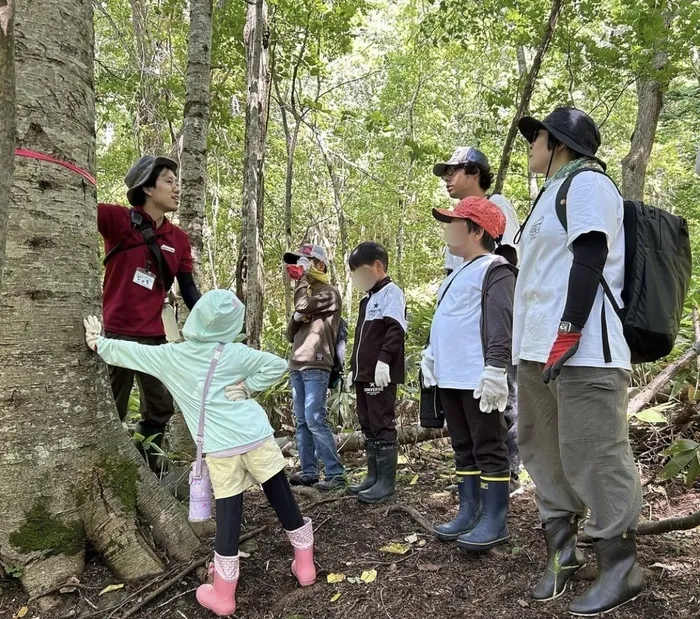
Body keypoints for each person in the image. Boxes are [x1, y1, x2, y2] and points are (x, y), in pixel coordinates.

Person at [84, 289, 316, 616]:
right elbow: (278, 364)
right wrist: (248, 388)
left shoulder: (173, 356)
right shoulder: (236, 353)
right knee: (281, 497)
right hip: (257, 438)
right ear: (230, 324)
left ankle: (223, 593)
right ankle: (305, 567)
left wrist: (98, 342)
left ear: (195, 320)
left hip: (222, 450)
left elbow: (131, 353)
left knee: (229, 514)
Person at [514, 107, 643, 615]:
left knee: (595, 453)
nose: (531, 148)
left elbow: (590, 254)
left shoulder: (588, 184)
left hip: (585, 349)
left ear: (558, 143)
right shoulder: (548, 193)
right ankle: (562, 554)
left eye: (536, 139)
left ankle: (620, 567)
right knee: (542, 449)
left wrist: (569, 330)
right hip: (535, 349)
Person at [421, 197, 515, 551]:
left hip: (478, 377)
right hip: (450, 376)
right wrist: (432, 354)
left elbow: (500, 320)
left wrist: (495, 368)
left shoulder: (496, 268)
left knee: (488, 446)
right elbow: (448, 320)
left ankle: (495, 519)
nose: (448, 228)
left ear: (476, 230)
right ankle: (469, 510)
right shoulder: (457, 272)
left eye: (455, 222)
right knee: (462, 446)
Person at [98, 155, 201, 470]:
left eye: (176, 181)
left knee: (159, 408)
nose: (176, 188)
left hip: (156, 339)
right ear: (147, 188)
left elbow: (189, 290)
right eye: (168, 181)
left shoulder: (179, 239)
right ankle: (111, 473)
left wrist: (217, 322)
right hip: (116, 335)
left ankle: (148, 474)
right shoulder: (117, 219)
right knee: (110, 410)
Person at [433, 147, 522, 495]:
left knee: (498, 408)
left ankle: (506, 477)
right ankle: (474, 489)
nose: (447, 180)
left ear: (473, 172)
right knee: (467, 423)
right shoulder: (457, 229)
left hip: (489, 335)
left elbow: (508, 260)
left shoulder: (497, 205)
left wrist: (495, 355)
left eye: (452, 172)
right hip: (461, 343)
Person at [347, 242, 407, 504]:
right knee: (368, 423)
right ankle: (373, 476)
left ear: (377, 266)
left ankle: (386, 482)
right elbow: (360, 338)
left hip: (380, 374)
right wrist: (352, 368)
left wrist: (384, 360)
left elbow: (396, 330)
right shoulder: (366, 300)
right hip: (363, 374)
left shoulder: (392, 293)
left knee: (382, 421)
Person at [283, 244, 346, 492]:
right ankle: (309, 471)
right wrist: (296, 319)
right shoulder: (306, 295)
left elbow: (302, 306)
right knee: (301, 421)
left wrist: (300, 291)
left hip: (317, 364)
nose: (300, 266)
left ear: (320, 265)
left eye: (305, 261)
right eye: (298, 262)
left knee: (315, 419)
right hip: (296, 364)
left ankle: (335, 474)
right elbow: (290, 334)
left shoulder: (329, 293)